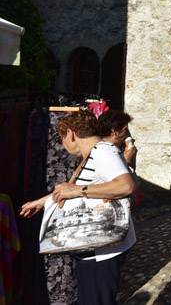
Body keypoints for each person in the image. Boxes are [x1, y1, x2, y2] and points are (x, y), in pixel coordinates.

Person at [20, 110, 135, 305]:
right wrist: (41, 203)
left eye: (61, 138)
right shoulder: (94, 154)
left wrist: (77, 191)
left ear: (70, 134)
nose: (62, 145)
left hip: (103, 250)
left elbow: (126, 186)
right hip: (96, 247)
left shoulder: (103, 152)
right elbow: (74, 189)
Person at [99, 110, 141, 206]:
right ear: (115, 131)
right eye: (125, 129)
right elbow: (117, 182)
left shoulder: (112, 148)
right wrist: (126, 160)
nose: (127, 133)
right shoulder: (106, 151)